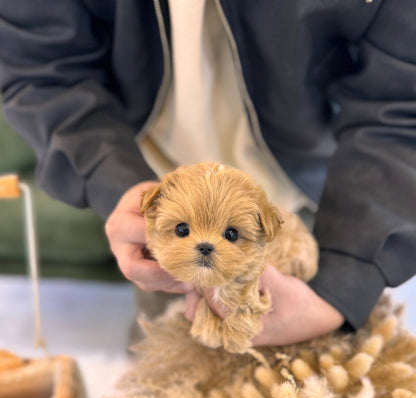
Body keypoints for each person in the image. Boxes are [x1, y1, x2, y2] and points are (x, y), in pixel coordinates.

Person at [0, 0, 415, 346]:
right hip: (149, 182)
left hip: (321, 197)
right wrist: (111, 176)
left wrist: (341, 285)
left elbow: (400, 105)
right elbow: (43, 67)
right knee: (161, 373)